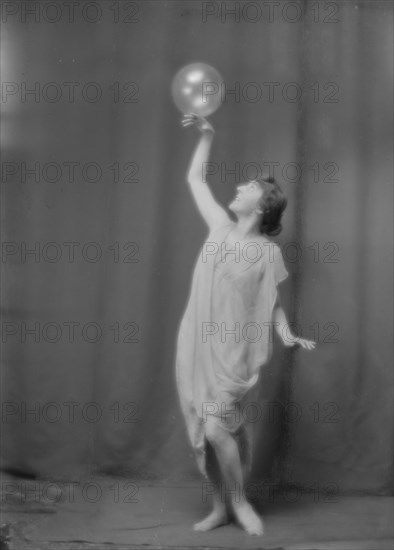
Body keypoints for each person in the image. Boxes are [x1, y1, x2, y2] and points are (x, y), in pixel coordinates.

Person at [175, 113, 316, 536]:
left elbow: (269, 303)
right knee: (205, 427)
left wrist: (285, 332)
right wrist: (208, 134)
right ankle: (220, 506)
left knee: (220, 429)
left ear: (262, 205)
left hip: (233, 352)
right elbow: (196, 181)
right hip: (198, 343)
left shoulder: (267, 254)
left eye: (247, 188)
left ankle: (239, 502)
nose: (237, 188)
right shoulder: (218, 228)